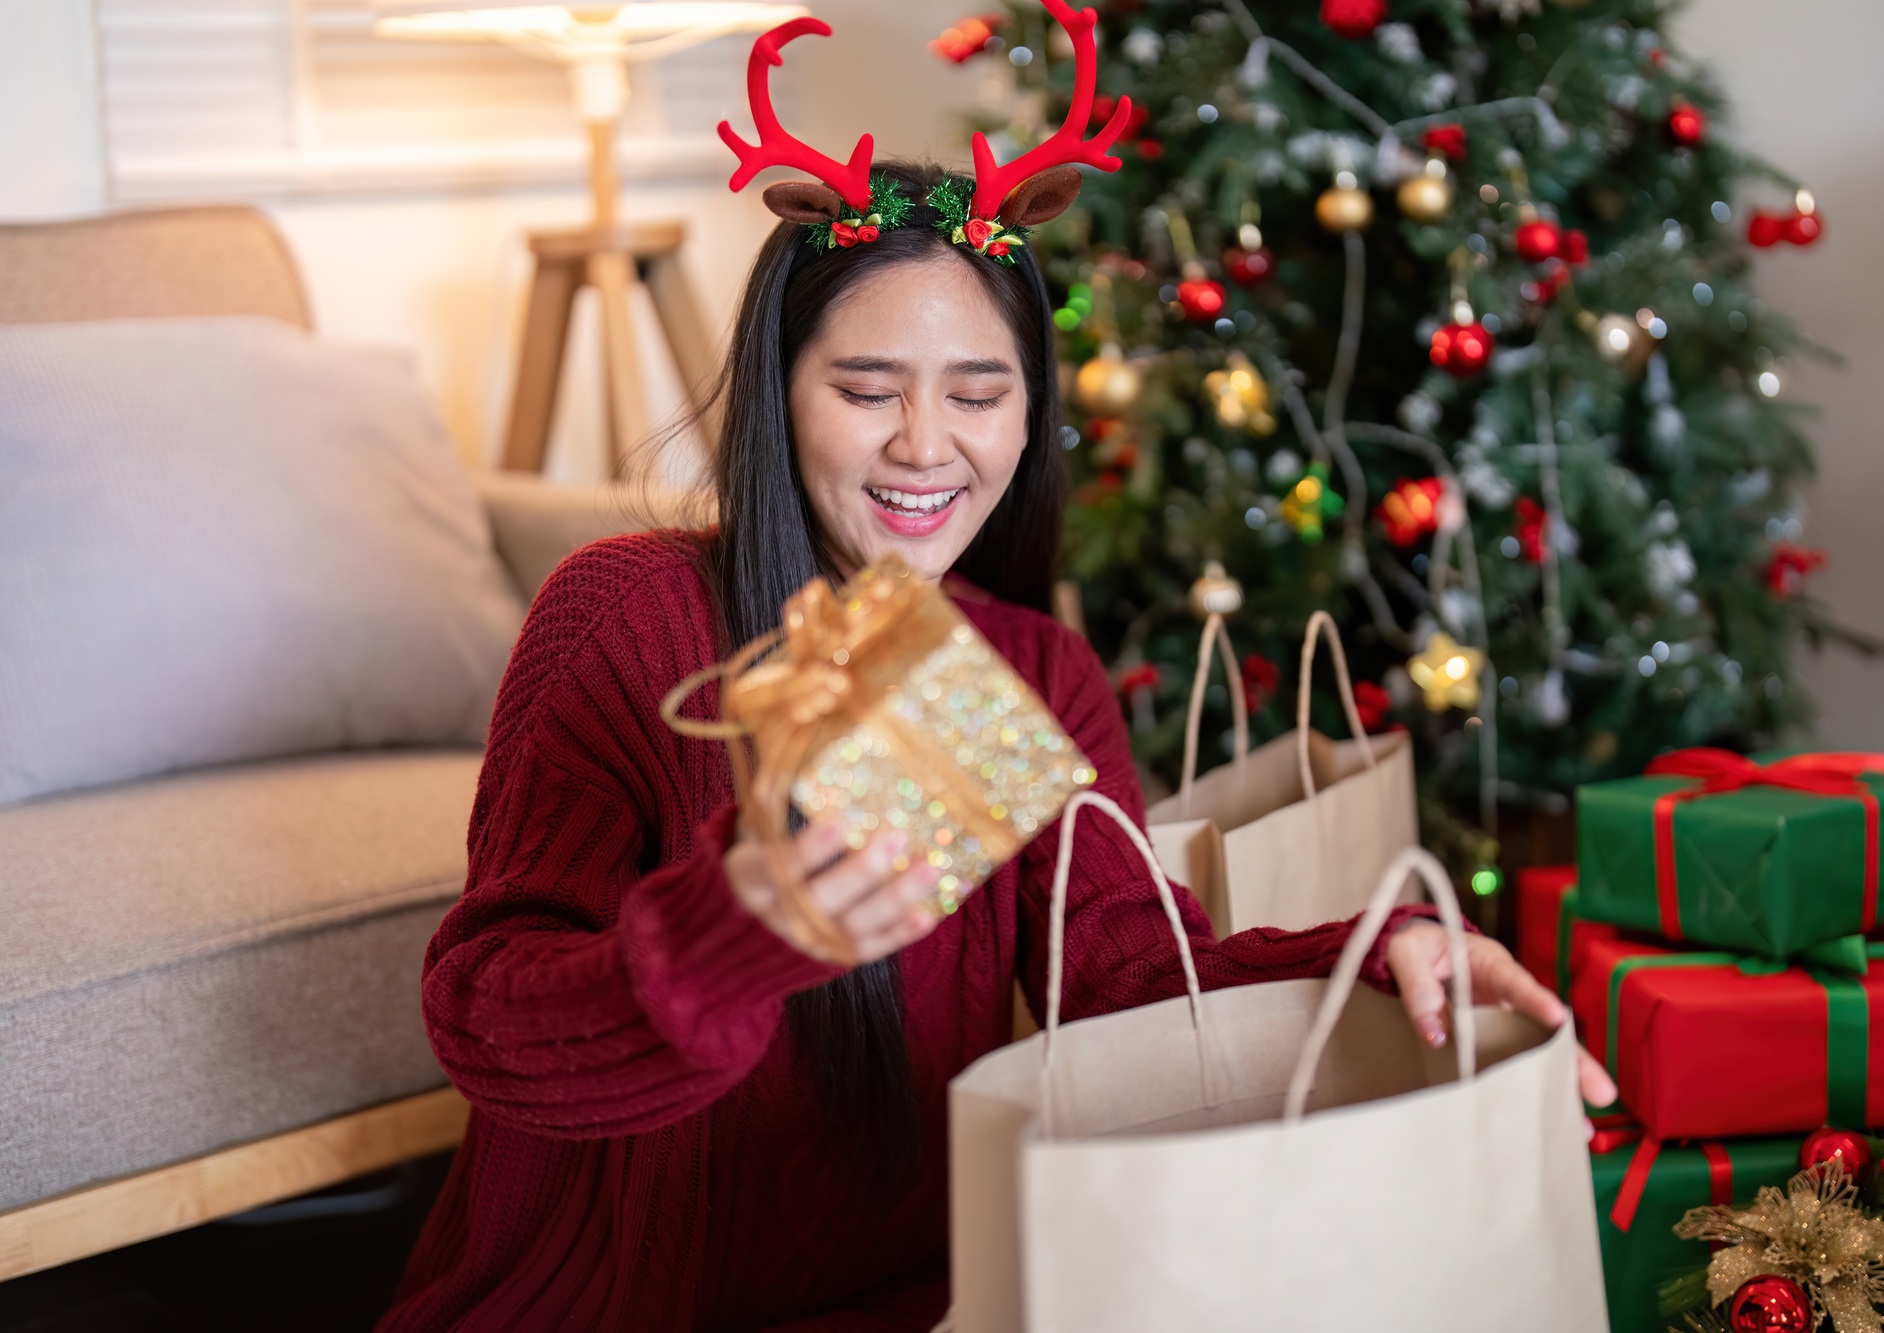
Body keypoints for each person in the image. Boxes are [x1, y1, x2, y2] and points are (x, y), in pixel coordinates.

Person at [382, 20, 1612, 1332]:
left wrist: (1379, 947)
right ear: (778, 393)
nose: (927, 444)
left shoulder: (1015, 673)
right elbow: (484, 1026)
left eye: (980, 391)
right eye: (866, 387)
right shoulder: (632, 615)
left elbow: (1135, 982)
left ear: (1033, 415)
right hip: (606, 1302)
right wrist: (726, 930)